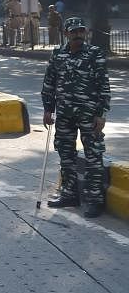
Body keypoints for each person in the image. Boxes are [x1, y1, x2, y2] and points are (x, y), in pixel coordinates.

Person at [41, 17, 111, 218]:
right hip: (64, 114)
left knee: (93, 156)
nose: (78, 35)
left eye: (81, 31)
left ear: (85, 33)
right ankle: (70, 194)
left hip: (89, 115)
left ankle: (95, 200)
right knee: (66, 155)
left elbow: (103, 86)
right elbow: (49, 82)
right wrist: (48, 108)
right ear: (66, 34)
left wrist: (101, 113)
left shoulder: (94, 54)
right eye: (74, 32)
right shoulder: (58, 55)